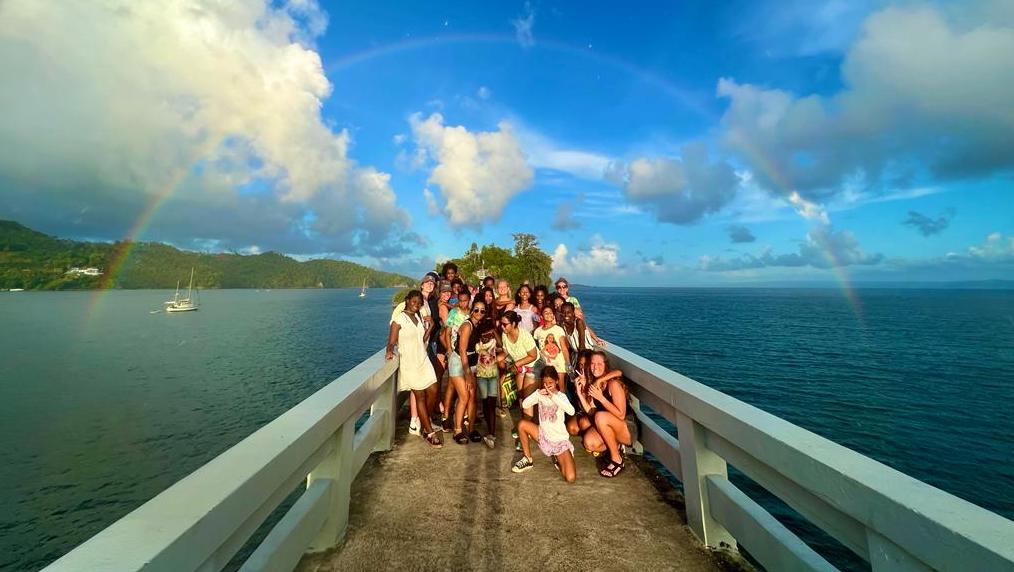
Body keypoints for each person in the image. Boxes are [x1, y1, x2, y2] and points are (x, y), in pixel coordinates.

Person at [386, 290, 442, 448]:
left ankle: (426, 420)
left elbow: (421, 340)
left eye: (419, 303)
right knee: (420, 397)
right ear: (407, 300)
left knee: (433, 389)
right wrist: (389, 351)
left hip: (422, 359)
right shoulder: (399, 319)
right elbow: (391, 341)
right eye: (414, 301)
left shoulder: (418, 316)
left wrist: (431, 326)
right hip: (409, 363)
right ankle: (429, 432)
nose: (416, 305)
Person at [512, 366, 577, 483]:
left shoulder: (561, 396)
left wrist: (553, 396)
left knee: (570, 478)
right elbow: (525, 405)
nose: (547, 386)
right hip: (543, 436)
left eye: (550, 383)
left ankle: (559, 457)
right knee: (522, 424)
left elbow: (571, 411)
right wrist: (537, 394)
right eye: (545, 383)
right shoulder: (540, 395)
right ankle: (528, 459)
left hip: (559, 441)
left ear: (557, 381)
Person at [573, 351, 631, 477]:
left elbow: (621, 415)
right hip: (610, 427)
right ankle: (615, 446)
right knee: (589, 442)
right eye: (592, 364)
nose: (595, 367)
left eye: (599, 363)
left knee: (600, 417)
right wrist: (580, 392)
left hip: (627, 429)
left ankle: (617, 460)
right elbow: (591, 412)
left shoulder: (613, 384)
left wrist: (601, 398)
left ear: (605, 365)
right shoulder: (594, 385)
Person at [453, 300, 487, 444]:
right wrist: (467, 374)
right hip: (459, 363)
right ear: (471, 310)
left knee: (473, 398)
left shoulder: (478, 325)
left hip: (471, 362)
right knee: (464, 397)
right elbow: (462, 350)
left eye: (482, 311)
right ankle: (458, 431)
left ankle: (471, 429)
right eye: (476, 310)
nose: (479, 313)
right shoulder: (467, 325)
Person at [498, 310, 540, 419]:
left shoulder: (525, 336)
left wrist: (516, 364)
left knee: (527, 398)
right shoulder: (504, 334)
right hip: (521, 367)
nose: (502, 327)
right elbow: (506, 352)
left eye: (505, 324)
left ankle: (527, 425)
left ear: (513, 324)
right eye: (501, 323)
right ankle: (525, 421)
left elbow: (533, 355)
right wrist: (494, 360)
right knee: (520, 395)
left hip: (534, 367)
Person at [440, 291, 471, 433]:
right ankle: (446, 415)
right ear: (458, 300)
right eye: (461, 300)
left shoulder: (472, 313)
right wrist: (449, 351)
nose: (464, 303)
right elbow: (446, 332)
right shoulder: (453, 313)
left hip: (467, 354)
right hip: (454, 353)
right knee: (452, 387)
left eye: (466, 300)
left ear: (469, 300)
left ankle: (463, 414)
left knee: (462, 385)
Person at [473, 320, 500, 448]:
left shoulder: (494, 341)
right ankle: (489, 428)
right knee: (485, 402)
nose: (487, 337)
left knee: (491, 403)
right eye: (484, 335)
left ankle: (491, 433)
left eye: (489, 335)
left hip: (493, 376)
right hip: (481, 376)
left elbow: (501, 346)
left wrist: (494, 332)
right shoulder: (478, 344)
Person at [533, 305, 570, 394]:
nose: (549, 314)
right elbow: (538, 349)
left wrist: (568, 364)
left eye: (551, 312)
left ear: (553, 315)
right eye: (546, 312)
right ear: (541, 316)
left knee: (561, 389)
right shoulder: (537, 331)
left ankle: (563, 407)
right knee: (546, 388)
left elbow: (564, 348)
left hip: (559, 364)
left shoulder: (558, 329)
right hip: (545, 364)